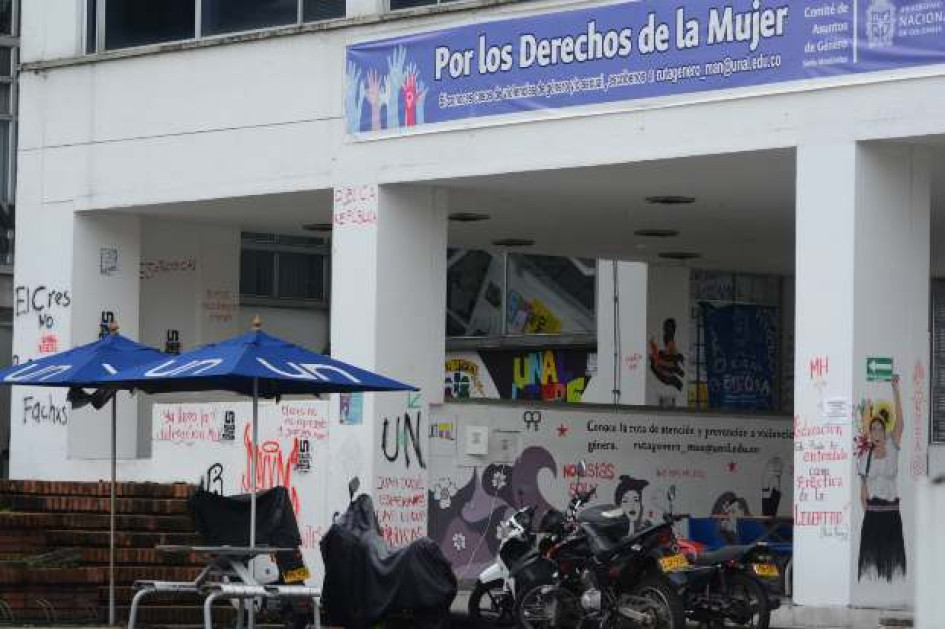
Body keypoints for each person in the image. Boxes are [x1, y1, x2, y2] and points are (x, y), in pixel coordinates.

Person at [857, 375, 906, 582]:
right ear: (869, 432)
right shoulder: (865, 455)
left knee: (892, 564)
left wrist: (895, 390)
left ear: (884, 429)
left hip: (892, 511)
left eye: (879, 428)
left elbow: (901, 424)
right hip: (874, 514)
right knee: (871, 564)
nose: (876, 431)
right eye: (873, 428)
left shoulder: (893, 446)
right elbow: (863, 489)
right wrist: (867, 512)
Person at [648, 318, 685, 391]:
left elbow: (667, 361)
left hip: (666, 365)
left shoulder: (669, 347)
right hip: (666, 365)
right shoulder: (667, 351)